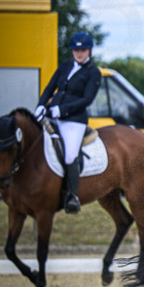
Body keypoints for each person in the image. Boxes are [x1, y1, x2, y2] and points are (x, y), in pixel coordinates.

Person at [35, 31, 102, 213]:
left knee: (70, 155)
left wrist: (62, 110)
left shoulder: (93, 73)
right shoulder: (64, 67)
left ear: (89, 51)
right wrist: (41, 105)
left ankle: (72, 196)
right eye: (76, 50)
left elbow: (87, 99)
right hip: (53, 116)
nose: (79, 53)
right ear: (72, 51)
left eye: (83, 50)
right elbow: (50, 88)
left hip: (74, 121)